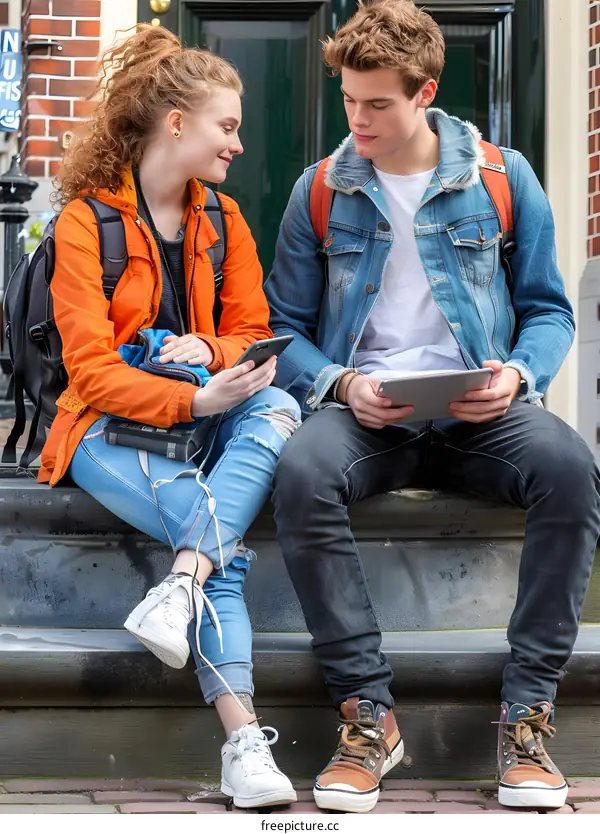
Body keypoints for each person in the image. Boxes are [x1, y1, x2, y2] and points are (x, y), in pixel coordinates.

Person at [266, 0, 600, 814]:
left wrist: (518, 376)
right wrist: (343, 386)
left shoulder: (500, 177)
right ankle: (368, 717)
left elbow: (549, 310)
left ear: (425, 91)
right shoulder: (321, 192)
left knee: (571, 468)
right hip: (368, 411)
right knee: (302, 474)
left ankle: (527, 717)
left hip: (479, 411)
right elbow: (281, 331)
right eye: (349, 100)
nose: (359, 119)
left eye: (377, 102)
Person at [40, 25, 300, 809]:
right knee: (216, 539)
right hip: (101, 430)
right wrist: (191, 396)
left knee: (280, 400)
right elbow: (90, 371)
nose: (240, 145)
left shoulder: (224, 222)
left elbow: (258, 340)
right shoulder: (86, 224)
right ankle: (242, 742)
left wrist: (214, 355)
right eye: (228, 126)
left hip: (207, 420)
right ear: (178, 124)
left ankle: (178, 585)